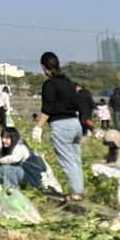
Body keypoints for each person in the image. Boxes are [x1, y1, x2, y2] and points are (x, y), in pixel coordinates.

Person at [33, 52, 84, 203]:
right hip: (75, 123)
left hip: (61, 125)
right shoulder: (68, 82)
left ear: (43, 67)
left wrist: (38, 127)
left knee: (67, 161)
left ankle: (76, 193)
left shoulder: (50, 84)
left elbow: (47, 108)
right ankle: (78, 190)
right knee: (75, 159)